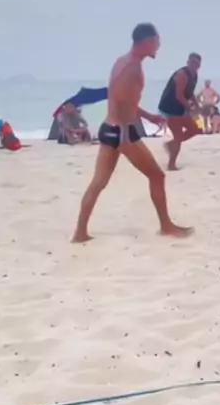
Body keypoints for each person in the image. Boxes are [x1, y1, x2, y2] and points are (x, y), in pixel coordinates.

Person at [71, 23, 192, 243]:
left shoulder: (122, 62)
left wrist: (149, 117)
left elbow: (124, 99)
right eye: (157, 41)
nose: (159, 46)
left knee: (98, 182)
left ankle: (80, 233)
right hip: (122, 132)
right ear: (146, 41)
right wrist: (126, 135)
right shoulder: (133, 68)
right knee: (157, 176)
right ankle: (166, 226)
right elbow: (120, 101)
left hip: (109, 128)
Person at [159, 53, 202, 170]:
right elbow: (179, 95)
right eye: (192, 62)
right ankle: (171, 164)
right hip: (170, 108)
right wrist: (189, 108)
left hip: (181, 107)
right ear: (187, 62)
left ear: (199, 65)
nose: (194, 65)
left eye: (196, 63)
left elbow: (189, 92)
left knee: (196, 129)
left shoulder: (194, 75)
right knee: (178, 136)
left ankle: (170, 144)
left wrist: (197, 105)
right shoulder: (182, 74)